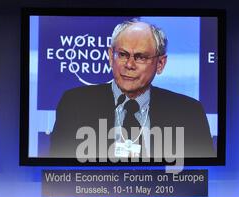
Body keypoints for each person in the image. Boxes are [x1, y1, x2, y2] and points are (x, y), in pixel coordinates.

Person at [50, 19, 215, 161]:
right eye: (122, 54)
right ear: (110, 56)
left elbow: (202, 177)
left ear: (160, 64)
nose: (129, 65)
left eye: (140, 57)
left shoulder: (189, 112)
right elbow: (58, 174)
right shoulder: (74, 104)